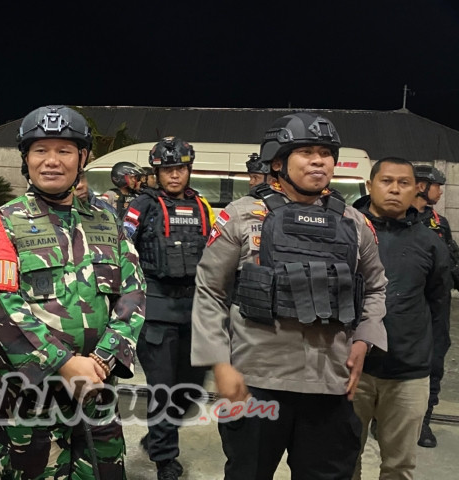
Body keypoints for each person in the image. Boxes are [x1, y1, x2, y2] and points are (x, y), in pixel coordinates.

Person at [191, 112, 388, 480]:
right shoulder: (243, 215)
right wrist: (219, 362)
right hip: (255, 384)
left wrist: (365, 338)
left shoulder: (354, 223)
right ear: (278, 162)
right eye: (307, 152)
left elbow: (376, 286)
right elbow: (209, 290)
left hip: (330, 385)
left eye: (326, 153)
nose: (319, 160)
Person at [0, 105, 146, 480]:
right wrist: (66, 364)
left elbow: (133, 293)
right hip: (29, 403)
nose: (52, 161)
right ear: (26, 158)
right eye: (40, 150)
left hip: (97, 393)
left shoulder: (107, 223)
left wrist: (101, 360)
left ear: (82, 158)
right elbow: (2, 308)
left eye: (64, 151)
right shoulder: (1, 224)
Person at [350, 157, 451, 480]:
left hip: (408, 375)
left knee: (399, 467)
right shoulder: (346, 231)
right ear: (370, 186)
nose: (395, 189)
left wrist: (432, 365)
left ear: (416, 189)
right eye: (386, 181)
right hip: (351, 371)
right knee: (342, 460)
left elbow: (439, 308)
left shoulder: (431, 242)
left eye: (404, 183)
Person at [123, 136, 214, 480]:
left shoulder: (202, 205)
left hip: (194, 310)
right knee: (163, 389)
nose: (174, 176)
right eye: (167, 170)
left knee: (190, 389)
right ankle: (165, 459)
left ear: (189, 169)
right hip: (156, 311)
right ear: (157, 172)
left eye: (180, 169)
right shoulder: (142, 206)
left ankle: (157, 436)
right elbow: (122, 249)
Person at [412, 164, 458, 447]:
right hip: (404, 306)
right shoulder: (397, 219)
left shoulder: (439, 223)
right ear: (421, 186)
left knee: (434, 365)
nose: (441, 191)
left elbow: (452, 262)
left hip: (437, 310)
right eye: (437, 185)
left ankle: (423, 422)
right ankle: (385, 419)